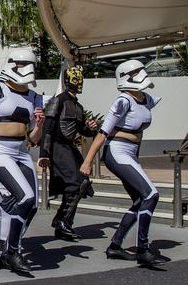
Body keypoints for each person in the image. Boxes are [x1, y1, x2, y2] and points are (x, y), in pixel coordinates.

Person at [80, 60, 168, 266]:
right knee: (151, 194)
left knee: (140, 200)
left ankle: (115, 246)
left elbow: (139, 133)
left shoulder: (146, 99)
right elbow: (103, 133)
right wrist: (88, 161)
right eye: (137, 71)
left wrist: (136, 157)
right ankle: (143, 250)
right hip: (116, 152)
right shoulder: (123, 101)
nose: (142, 74)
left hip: (130, 153)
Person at [0, 49, 44, 275]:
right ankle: (12, 251)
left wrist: (40, 124)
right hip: (0, 149)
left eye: (30, 63)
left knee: (31, 204)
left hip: (22, 151)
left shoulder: (35, 96)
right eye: (23, 63)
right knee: (25, 197)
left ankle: (8, 249)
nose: (27, 67)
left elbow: (33, 138)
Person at [38, 65, 97, 240]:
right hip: (57, 147)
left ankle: (63, 223)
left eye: (79, 78)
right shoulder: (58, 100)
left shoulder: (77, 106)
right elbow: (48, 128)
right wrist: (44, 153)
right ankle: (61, 221)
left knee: (83, 182)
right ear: (66, 80)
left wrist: (90, 128)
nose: (77, 81)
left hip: (69, 147)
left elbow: (81, 130)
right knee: (73, 183)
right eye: (74, 78)